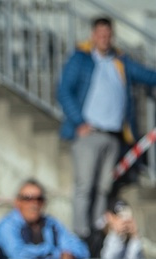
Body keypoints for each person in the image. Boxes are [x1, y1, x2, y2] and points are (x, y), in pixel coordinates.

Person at [57, 16, 156, 239]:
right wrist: (79, 122)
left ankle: (98, 230)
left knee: (104, 187)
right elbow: (64, 91)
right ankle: (81, 234)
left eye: (108, 35)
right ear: (93, 35)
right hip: (89, 133)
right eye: (100, 34)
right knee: (85, 185)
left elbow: (146, 75)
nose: (104, 38)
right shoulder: (81, 59)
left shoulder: (120, 61)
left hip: (114, 135)